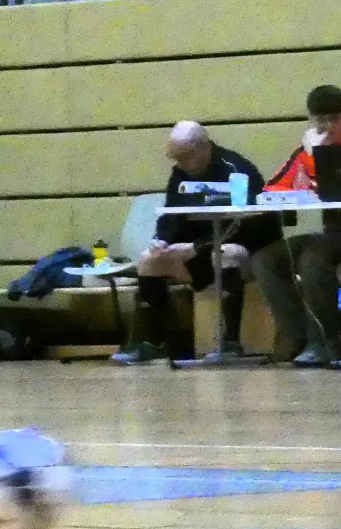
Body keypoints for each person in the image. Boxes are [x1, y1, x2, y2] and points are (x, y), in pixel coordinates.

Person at [113, 121, 280, 364]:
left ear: (203, 148)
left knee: (227, 254)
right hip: (198, 253)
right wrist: (161, 241)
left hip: (244, 251)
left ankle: (231, 343)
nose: (179, 164)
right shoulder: (181, 173)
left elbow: (243, 225)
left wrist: (197, 247)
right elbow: (171, 214)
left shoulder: (237, 169)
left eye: (184, 157)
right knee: (150, 261)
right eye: (175, 159)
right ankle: (156, 341)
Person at [254, 84, 341, 367]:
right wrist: (295, 191)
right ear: (311, 121)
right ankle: (296, 336)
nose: (327, 127)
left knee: (313, 258)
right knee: (266, 259)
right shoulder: (304, 152)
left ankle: (326, 342)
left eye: (334, 119)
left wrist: (319, 156)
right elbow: (272, 188)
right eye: (320, 120)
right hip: (332, 235)